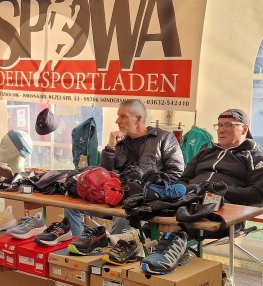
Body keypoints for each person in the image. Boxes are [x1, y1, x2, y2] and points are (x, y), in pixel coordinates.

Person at [65, 99, 185, 237]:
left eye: (123, 116)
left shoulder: (164, 138)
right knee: (71, 206)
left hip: (145, 202)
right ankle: (74, 246)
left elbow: (177, 174)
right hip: (115, 197)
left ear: (138, 119)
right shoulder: (120, 142)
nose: (117, 121)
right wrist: (110, 148)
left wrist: (149, 184)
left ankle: (115, 249)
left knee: (123, 217)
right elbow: (104, 174)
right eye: (118, 116)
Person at [179, 109, 263, 204]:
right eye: (219, 125)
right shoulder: (204, 152)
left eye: (228, 125)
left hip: (226, 206)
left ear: (244, 129)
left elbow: (258, 193)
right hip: (188, 201)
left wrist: (217, 190)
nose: (221, 130)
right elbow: (182, 180)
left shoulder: (255, 157)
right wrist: (190, 190)